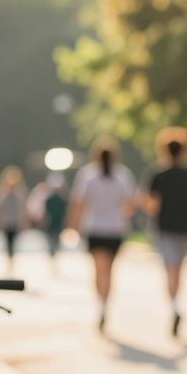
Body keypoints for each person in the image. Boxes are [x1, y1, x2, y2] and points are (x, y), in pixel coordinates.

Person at [142, 127, 187, 336]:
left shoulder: (157, 174)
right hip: (185, 227)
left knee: (170, 268)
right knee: (178, 267)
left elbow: (150, 204)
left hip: (164, 227)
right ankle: (176, 303)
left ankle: (174, 305)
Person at [69, 137, 137, 331]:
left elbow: (79, 203)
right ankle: (106, 305)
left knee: (99, 270)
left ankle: (100, 304)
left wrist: (73, 226)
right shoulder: (123, 175)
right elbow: (130, 205)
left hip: (95, 229)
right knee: (109, 271)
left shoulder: (88, 175)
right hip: (115, 229)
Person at [0, 166, 28, 272]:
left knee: (13, 242)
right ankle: (9, 260)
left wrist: (24, 222)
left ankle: (12, 260)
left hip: (15, 221)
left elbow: (23, 208)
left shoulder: (20, 191)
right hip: (5, 222)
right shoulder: (0, 191)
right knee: (7, 242)